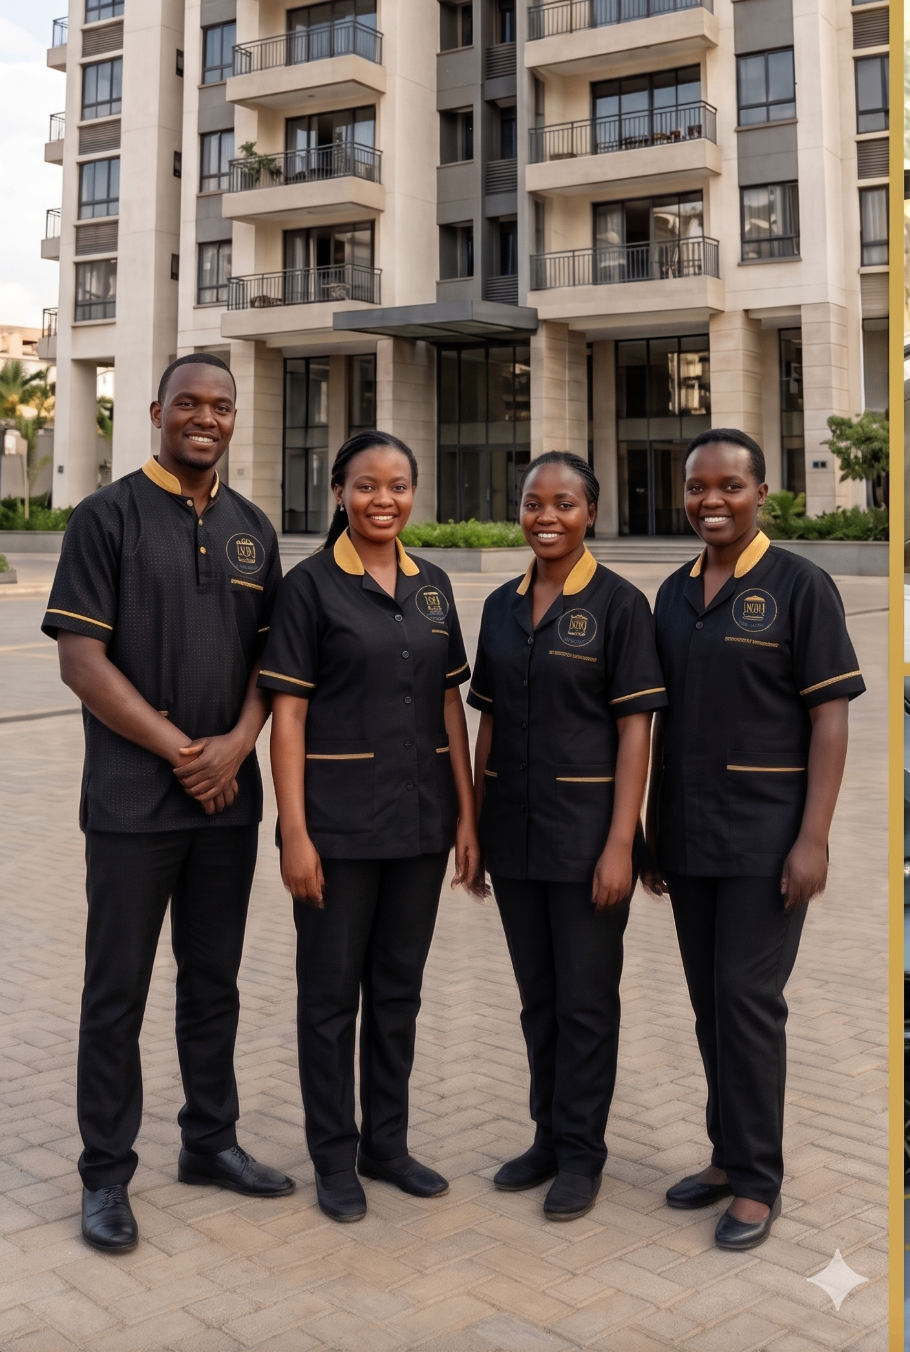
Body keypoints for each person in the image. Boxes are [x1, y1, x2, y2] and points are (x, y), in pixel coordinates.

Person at [43, 355, 295, 1254]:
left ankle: (209, 1142)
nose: (206, 417)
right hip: (129, 804)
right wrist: (182, 749)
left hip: (226, 801)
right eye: (188, 402)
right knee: (116, 993)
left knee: (214, 982)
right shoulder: (105, 517)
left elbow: (276, 660)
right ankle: (105, 1175)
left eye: (220, 406)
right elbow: (80, 662)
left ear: (234, 419)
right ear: (154, 412)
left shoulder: (253, 528)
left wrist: (234, 746)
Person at [646, 427, 864, 1250]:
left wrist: (815, 838)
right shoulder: (672, 592)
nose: (710, 500)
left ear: (760, 494)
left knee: (747, 1002)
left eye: (729, 486)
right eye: (698, 486)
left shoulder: (801, 585)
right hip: (689, 833)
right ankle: (726, 1155)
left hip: (768, 839)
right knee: (710, 1006)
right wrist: (652, 827)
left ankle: (760, 1182)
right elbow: (657, 722)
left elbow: (830, 719)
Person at [262, 430, 481, 1223]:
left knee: (398, 994)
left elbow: (449, 704)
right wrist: (294, 831)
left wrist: (467, 816)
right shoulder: (310, 587)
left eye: (397, 486)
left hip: (422, 827)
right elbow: (287, 716)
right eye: (365, 486)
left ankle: (386, 1144)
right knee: (329, 999)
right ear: (338, 493)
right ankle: (334, 1156)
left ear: (413, 494)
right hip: (337, 830)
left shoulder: (433, 585)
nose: (382, 500)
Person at [468, 452, 667, 1221]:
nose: (545, 516)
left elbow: (635, 731)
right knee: (538, 1000)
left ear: (591, 512)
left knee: (586, 1001)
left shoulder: (619, 606)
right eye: (532, 503)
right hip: (513, 834)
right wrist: (475, 827)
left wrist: (624, 841)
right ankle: (548, 1136)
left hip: (588, 839)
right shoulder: (500, 605)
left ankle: (583, 1154)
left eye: (563, 503)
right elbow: (486, 721)